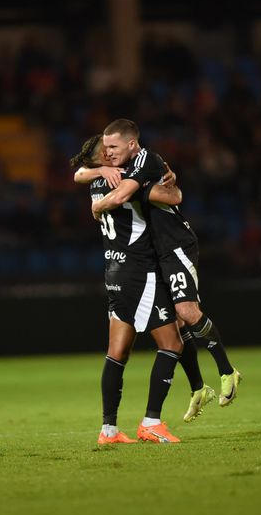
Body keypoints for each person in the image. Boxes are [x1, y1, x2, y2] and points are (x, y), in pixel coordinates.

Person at [87, 119, 242, 413]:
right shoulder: (124, 168)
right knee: (175, 323)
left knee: (186, 312)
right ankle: (197, 388)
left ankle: (226, 371)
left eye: (113, 147)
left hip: (175, 245)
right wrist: (99, 171)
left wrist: (97, 205)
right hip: (155, 253)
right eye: (104, 148)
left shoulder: (146, 161)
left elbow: (147, 195)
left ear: (132, 144)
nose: (108, 153)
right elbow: (81, 173)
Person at [70, 133, 187, 444]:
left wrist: (93, 175)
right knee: (172, 344)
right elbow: (172, 198)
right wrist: (168, 183)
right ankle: (151, 422)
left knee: (117, 352)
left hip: (113, 271)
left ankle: (108, 430)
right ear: (103, 158)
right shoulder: (123, 179)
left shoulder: (95, 180)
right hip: (140, 270)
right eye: (107, 151)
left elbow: (79, 173)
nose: (112, 154)